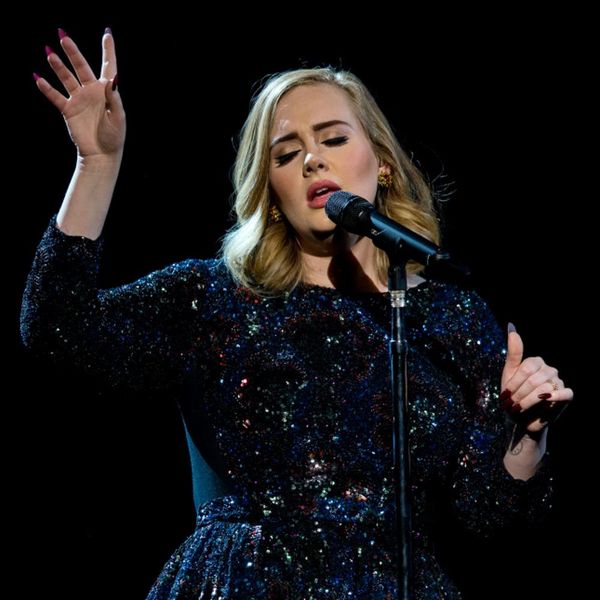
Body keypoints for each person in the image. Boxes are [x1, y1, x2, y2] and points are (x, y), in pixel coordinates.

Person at [21, 29, 573, 599]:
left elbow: (490, 516)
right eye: (286, 154)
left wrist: (528, 435)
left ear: (382, 163)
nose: (312, 159)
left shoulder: (449, 319)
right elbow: (59, 327)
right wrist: (97, 163)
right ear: (271, 193)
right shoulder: (215, 297)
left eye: (333, 139)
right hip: (247, 583)